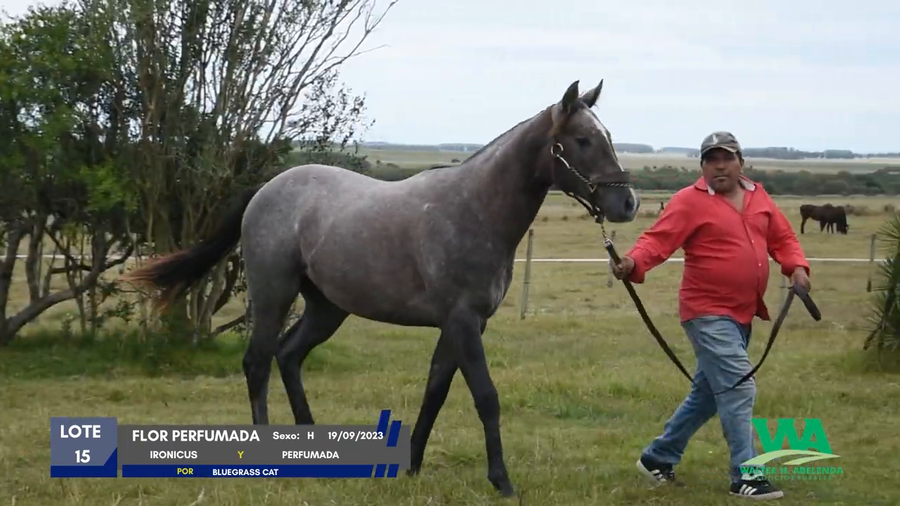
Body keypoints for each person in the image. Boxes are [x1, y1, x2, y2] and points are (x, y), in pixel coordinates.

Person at [611, 131, 811, 501]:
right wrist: (633, 262)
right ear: (702, 166)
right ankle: (746, 476)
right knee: (739, 386)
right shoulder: (689, 201)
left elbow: (783, 239)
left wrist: (796, 267)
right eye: (711, 160)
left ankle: (657, 458)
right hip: (706, 312)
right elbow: (657, 240)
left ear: (740, 163)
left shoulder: (759, 197)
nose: (719, 166)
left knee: (707, 394)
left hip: (743, 313)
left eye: (726, 158)